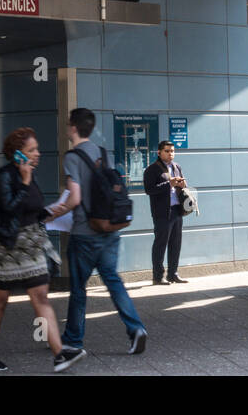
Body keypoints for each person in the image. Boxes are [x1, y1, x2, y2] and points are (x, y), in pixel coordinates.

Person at [0, 127, 84, 373]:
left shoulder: (28, 173)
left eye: (36, 149)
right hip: (6, 246)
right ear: (18, 155)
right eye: (31, 150)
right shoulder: (6, 176)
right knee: (0, 300)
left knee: (40, 296)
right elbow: (9, 209)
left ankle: (59, 353)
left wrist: (50, 212)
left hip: (30, 244)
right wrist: (25, 182)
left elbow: (30, 208)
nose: (38, 153)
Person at [55, 108, 148, 355]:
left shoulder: (72, 157)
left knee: (78, 289)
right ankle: (136, 328)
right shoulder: (102, 153)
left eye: (68, 125)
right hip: (108, 230)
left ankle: (73, 340)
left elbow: (74, 199)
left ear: (73, 127)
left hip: (84, 234)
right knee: (114, 282)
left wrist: (52, 213)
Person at [143, 140, 188, 285]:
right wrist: (169, 184)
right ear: (159, 152)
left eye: (173, 151)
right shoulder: (152, 169)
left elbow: (181, 187)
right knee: (160, 244)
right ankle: (158, 276)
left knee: (176, 243)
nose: (171, 154)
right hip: (162, 212)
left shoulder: (177, 167)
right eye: (167, 151)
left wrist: (182, 184)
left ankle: (173, 273)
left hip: (177, 209)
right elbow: (149, 190)